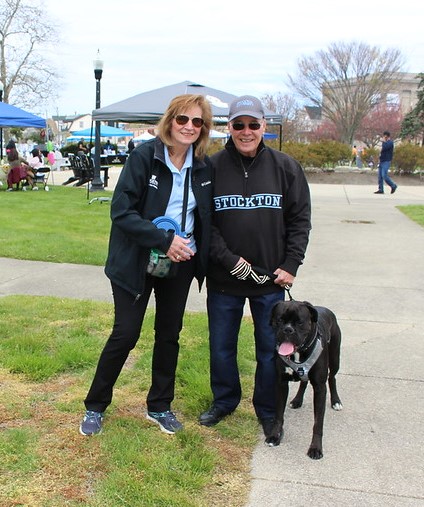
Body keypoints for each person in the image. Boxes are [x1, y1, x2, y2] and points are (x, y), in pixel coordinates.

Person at [79, 94, 213, 436]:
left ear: (204, 128)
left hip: (180, 262)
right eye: (183, 119)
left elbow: (207, 216)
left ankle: (160, 406)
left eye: (197, 122)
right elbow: (121, 213)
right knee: (126, 333)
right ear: (170, 121)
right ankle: (95, 406)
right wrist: (163, 240)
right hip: (139, 260)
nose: (189, 127)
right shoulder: (144, 157)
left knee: (169, 334)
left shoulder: (203, 166)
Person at [199, 95, 311, 437]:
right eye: (238, 125)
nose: (246, 131)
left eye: (253, 124)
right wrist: (229, 260)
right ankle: (224, 401)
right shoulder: (211, 168)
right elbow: (204, 222)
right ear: (228, 128)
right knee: (221, 347)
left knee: (270, 351)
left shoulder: (286, 168)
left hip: (270, 282)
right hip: (224, 280)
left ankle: (267, 409)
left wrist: (291, 263)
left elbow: (300, 219)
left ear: (264, 127)